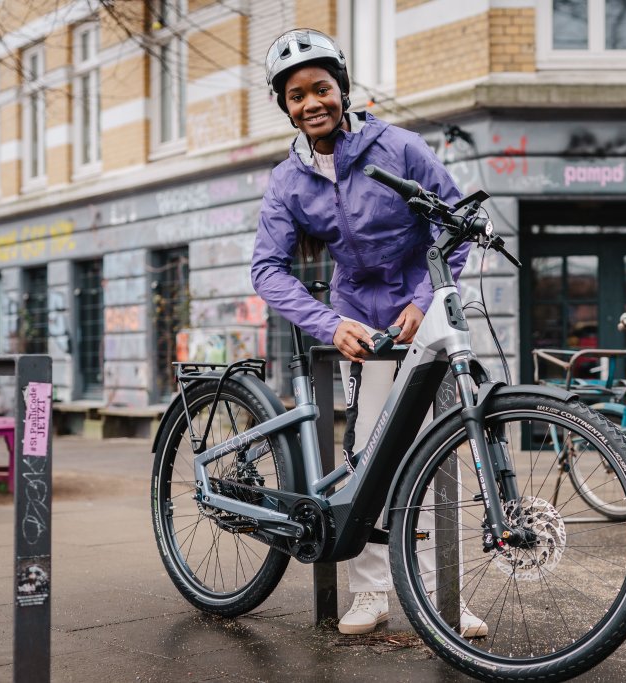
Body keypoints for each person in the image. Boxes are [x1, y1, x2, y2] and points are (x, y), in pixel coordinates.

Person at [252, 29, 486, 638]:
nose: (311, 103)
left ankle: (446, 598)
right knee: (367, 462)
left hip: (425, 321)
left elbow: (456, 222)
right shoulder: (287, 181)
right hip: (361, 324)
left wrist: (422, 298)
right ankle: (372, 592)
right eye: (296, 95)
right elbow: (267, 269)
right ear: (285, 106)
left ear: (342, 89)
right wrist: (331, 324)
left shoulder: (399, 146)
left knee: (437, 461)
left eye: (321, 88)